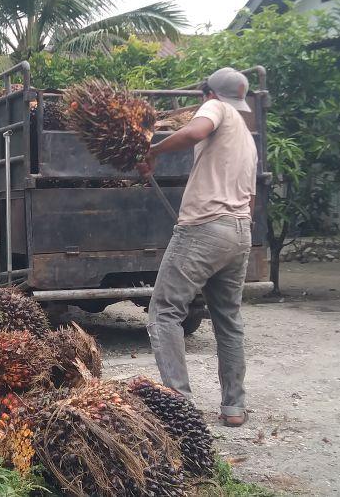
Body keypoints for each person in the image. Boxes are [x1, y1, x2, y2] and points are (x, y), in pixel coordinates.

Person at [137, 67, 258, 427]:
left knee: (164, 311)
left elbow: (195, 131)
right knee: (228, 320)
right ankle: (234, 408)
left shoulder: (216, 109)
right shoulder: (248, 139)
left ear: (207, 94)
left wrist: (153, 149)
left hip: (204, 228)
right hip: (240, 232)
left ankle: (181, 408)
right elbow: (250, 199)